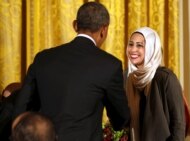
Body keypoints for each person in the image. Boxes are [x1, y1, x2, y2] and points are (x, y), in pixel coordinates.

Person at [13, 2, 130, 141]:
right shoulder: (110, 65)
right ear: (104, 30)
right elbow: (120, 117)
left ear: (75, 25)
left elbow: (22, 105)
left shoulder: (43, 58)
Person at [124, 27, 185, 141]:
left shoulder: (165, 77)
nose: (133, 49)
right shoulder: (128, 77)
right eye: (130, 44)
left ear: (152, 48)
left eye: (139, 45)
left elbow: (178, 123)